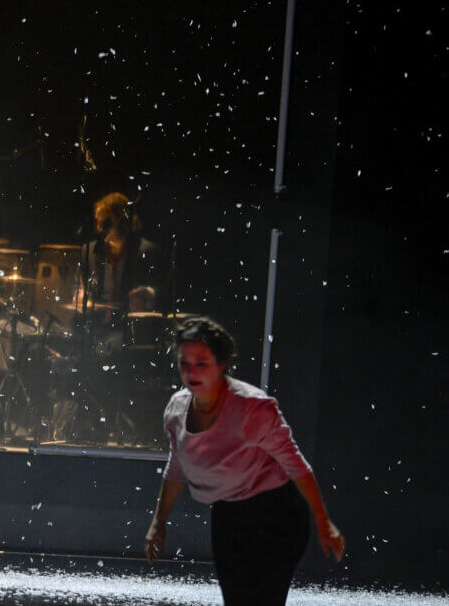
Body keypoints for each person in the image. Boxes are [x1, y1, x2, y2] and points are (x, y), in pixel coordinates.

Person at [144, 316, 345, 605]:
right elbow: (178, 465)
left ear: (221, 364)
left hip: (276, 515)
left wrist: (324, 524)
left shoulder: (252, 408)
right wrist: (158, 522)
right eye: (184, 363)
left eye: (201, 363)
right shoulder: (177, 409)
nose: (191, 372)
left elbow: (296, 465)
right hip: (228, 515)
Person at [81, 192, 161, 314]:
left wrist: (148, 294)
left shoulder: (146, 251)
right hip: (95, 323)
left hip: (129, 323)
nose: (100, 229)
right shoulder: (89, 251)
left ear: (123, 222)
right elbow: (78, 284)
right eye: (100, 223)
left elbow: (162, 291)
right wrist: (79, 294)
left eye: (106, 223)